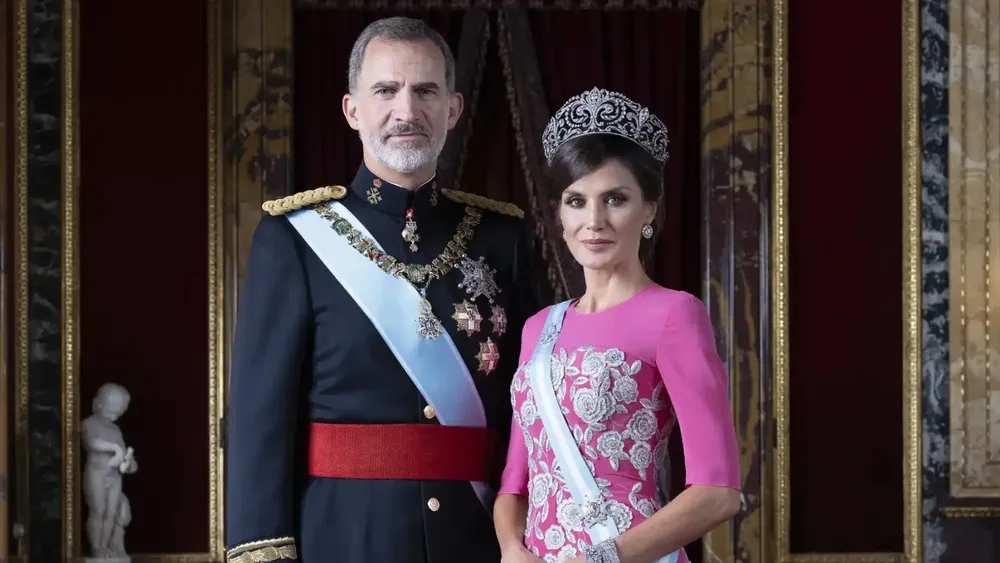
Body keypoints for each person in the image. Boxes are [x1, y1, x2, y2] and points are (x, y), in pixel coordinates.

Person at [224, 16, 539, 563]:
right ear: (353, 110)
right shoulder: (294, 238)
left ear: (453, 109)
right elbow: (260, 417)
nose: (406, 111)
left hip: (478, 538)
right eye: (386, 90)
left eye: (425, 91)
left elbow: (532, 408)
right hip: (342, 536)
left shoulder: (502, 238)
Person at [493, 88, 741, 563]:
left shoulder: (673, 315)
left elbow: (717, 490)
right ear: (559, 215)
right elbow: (514, 484)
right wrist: (510, 547)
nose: (595, 221)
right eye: (576, 201)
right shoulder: (538, 328)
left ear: (648, 209)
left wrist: (602, 559)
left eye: (615, 199)